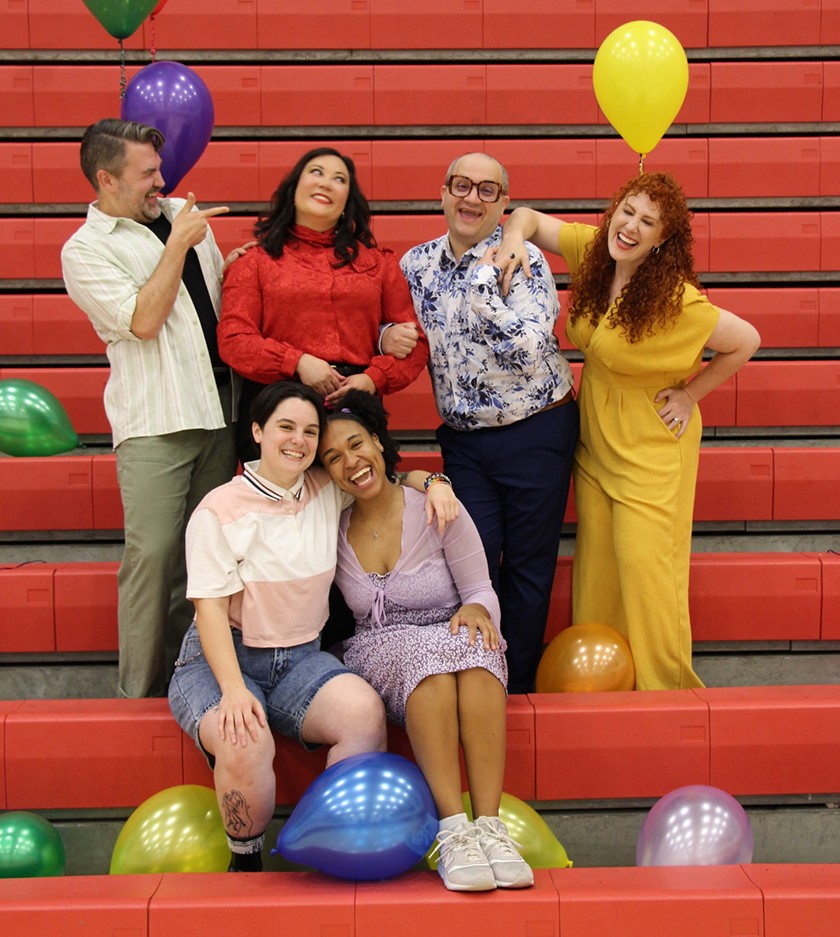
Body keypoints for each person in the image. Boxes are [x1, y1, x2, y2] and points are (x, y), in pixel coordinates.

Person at [168, 380, 458, 872]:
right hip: (223, 658)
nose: (298, 441)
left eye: (308, 431)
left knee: (364, 714)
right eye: (285, 427)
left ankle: (337, 841)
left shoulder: (326, 488)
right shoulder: (218, 510)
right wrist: (234, 690)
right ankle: (246, 858)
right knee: (243, 735)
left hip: (300, 659)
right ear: (257, 431)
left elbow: (382, 478)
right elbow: (210, 612)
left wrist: (433, 482)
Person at [497, 172, 761, 690]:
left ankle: (668, 694)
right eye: (627, 211)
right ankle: (606, 691)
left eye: (648, 222)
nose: (631, 227)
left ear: (663, 238)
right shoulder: (596, 251)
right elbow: (526, 218)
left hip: (651, 449)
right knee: (598, 574)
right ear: (613, 211)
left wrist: (690, 395)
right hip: (595, 442)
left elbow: (746, 339)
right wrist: (511, 240)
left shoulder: (677, 300)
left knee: (647, 577)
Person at [61, 118, 253, 699]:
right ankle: (137, 695)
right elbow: (144, 321)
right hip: (155, 425)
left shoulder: (182, 217)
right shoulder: (85, 249)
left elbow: (209, 304)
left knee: (207, 562)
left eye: (160, 169)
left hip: (221, 411)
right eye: (147, 173)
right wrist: (176, 247)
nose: (161, 182)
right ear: (106, 178)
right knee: (154, 560)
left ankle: (191, 683)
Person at [318, 390, 534, 892]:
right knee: (429, 665)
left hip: (451, 625)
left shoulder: (435, 505)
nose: (351, 462)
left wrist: (479, 609)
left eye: (357, 444)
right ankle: (453, 832)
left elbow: (480, 587)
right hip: (380, 644)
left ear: (377, 440)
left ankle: (490, 826)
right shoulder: (330, 525)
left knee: (478, 654)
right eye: (334, 457)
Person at [400, 152, 579, 694]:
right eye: (461, 185)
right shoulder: (416, 264)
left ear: (503, 202)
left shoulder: (520, 258)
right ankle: (479, 679)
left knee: (527, 568)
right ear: (443, 191)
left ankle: (516, 688)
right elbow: (378, 314)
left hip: (535, 430)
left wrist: (484, 291)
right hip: (465, 443)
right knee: (470, 563)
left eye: (486, 189)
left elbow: (532, 344)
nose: (471, 198)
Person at [217, 145, 428, 464]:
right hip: (278, 407)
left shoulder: (379, 265)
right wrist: (297, 361)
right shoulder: (254, 262)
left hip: (354, 410)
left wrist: (372, 379)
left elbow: (416, 346)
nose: (326, 183)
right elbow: (234, 341)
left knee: (354, 512)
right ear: (293, 189)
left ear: (347, 201)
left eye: (339, 179)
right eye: (316, 172)